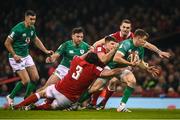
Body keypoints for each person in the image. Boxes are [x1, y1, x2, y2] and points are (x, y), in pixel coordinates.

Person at [90, 19, 170, 109]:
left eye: (127, 27)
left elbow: (148, 45)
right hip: (113, 62)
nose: (125, 29)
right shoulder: (114, 36)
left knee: (114, 81)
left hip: (127, 64)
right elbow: (99, 42)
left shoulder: (134, 37)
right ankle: (93, 103)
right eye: (123, 27)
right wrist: (92, 48)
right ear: (120, 27)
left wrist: (159, 51)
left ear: (130, 29)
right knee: (99, 82)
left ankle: (103, 103)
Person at [13, 52, 127, 110]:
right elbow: (111, 72)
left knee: (40, 93)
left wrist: (88, 52)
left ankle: (18, 106)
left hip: (58, 88)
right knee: (52, 107)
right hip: (68, 98)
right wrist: (124, 69)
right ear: (95, 61)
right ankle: (34, 108)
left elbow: (79, 57)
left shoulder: (77, 61)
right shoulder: (94, 69)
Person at [4, 10, 53, 106]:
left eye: (34, 19)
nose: (33, 21)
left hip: (26, 56)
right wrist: (14, 55)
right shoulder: (17, 29)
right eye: (31, 19)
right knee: (26, 81)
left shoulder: (32, 28)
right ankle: (10, 96)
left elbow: (35, 39)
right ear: (25, 18)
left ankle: (26, 99)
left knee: (35, 78)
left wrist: (46, 51)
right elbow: (7, 43)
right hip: (16, 57)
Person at [37, 27, 90, 92]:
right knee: (46, 88)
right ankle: (30, 100)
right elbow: (57, 54)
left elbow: (93, 53)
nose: (80, 39)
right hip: (63, 70)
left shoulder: (86, 46)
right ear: (72, 36)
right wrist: (51, 58)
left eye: (81, 37)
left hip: (75, 73)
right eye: (78, 36)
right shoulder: (66, 45)